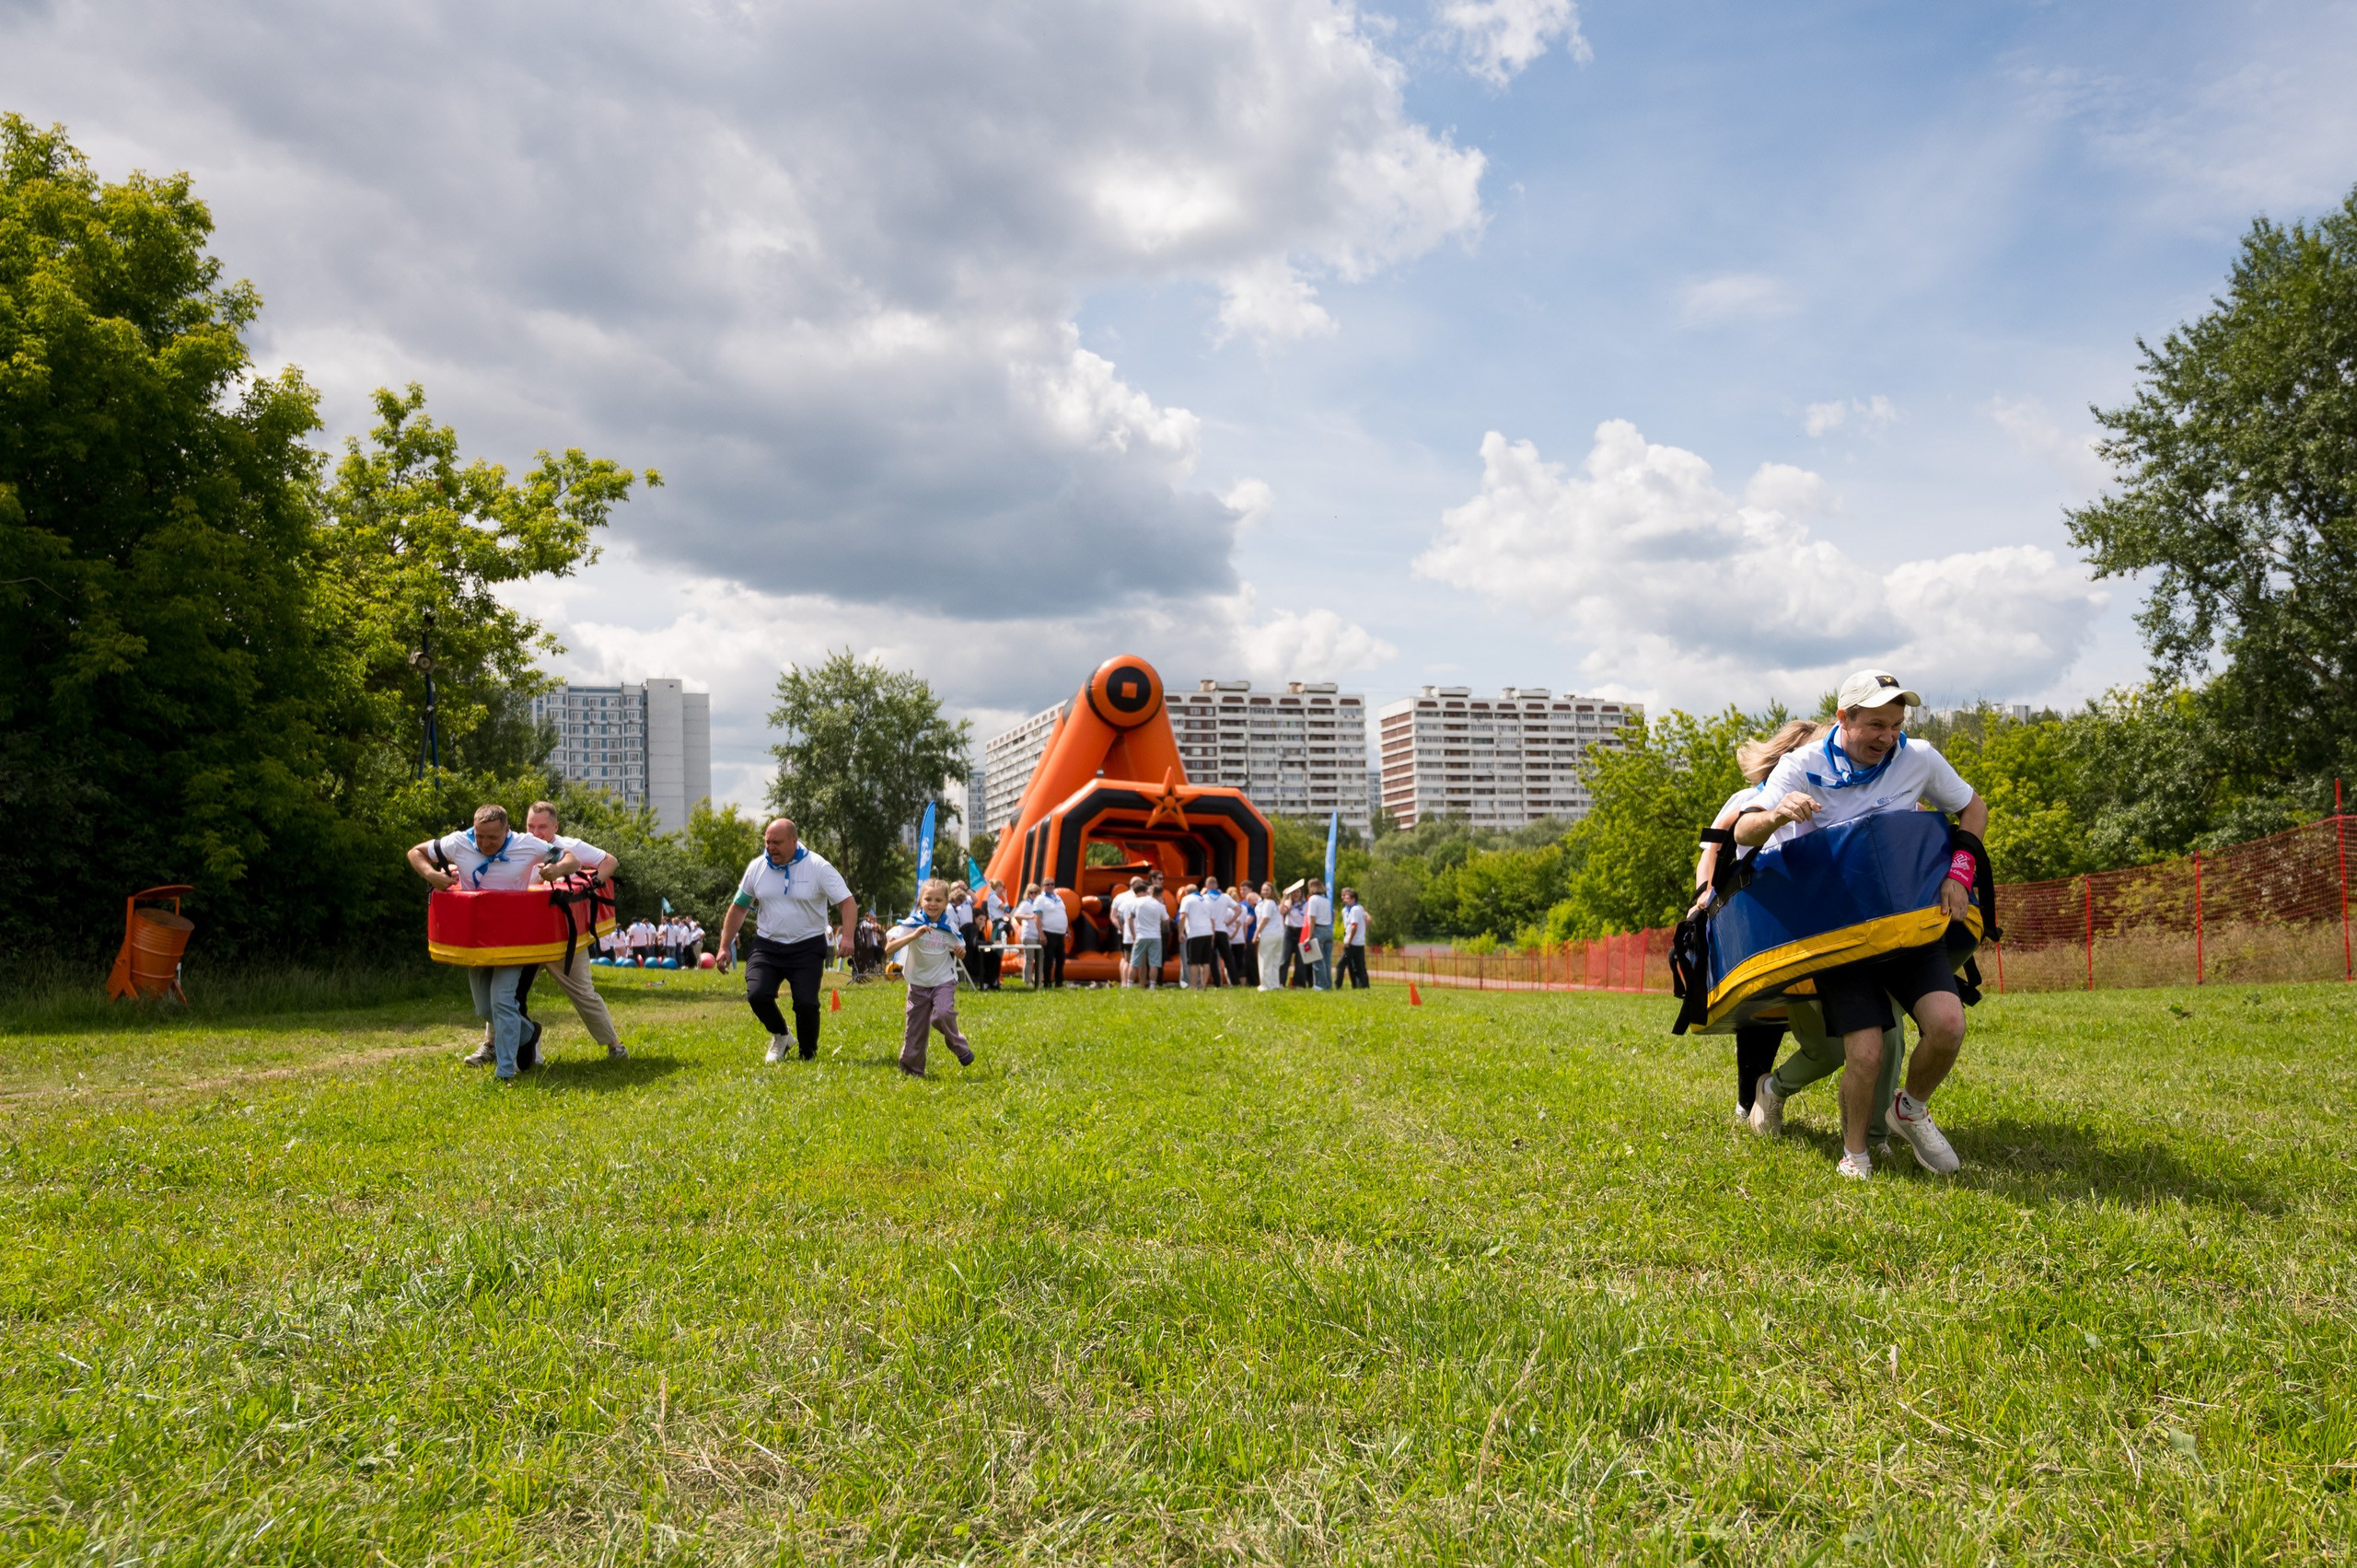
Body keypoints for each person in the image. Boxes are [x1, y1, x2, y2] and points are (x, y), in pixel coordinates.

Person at [1734, 669, 1989, 1180]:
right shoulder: (1801, 764)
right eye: (1875, 724)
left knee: (1948, 1025)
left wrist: (1961, 870)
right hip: (1839, 933)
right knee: (1865, 1052)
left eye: (1895, 725)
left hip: (1908, 924)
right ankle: (1857, 1157)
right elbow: (1743, 827)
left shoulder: (1918, 758)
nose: (1887, 737)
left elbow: (1971, 808)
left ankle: (1909, 1110)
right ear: (1843, 719)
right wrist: (1778, 813)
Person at [406, 804, 579, 1081]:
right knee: (485, 1009)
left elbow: (573, 860)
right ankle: (528, 1032)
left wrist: (556, 869)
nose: (484, 843)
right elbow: (415, 852)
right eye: (480, 836)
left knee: (502, 1000)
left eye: (493, 838)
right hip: (474, 939)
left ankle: (505, 1071)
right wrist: (432, 875)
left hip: (514, 939)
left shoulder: (527, 844)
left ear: (507, 831)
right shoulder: (459, 841)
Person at [477, 800, 629, 1063]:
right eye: (530, 826)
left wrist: (592, 884)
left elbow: (610, 861)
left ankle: (615, 1046)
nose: (536, 832)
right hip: (526, 935)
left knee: (582, 993)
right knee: (504, 991)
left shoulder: (571, 846)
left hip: (563, 937)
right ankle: (493, 1045)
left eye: (543, 827)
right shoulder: (518, 845)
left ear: (555, 826)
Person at [714, 818, 857, 1063]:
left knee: (806, 1003)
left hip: (807, 945)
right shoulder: (758, 867)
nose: (771, 848)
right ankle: (782, 1035)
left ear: (794, 840)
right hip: (767, 944)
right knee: (757, 994)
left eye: (777, 842)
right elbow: (739, 907)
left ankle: (807, 1055)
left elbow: (848, 902)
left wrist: (849, 938)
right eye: (767, 842)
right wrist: (723, 945)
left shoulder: (818, 867)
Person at [883, 879, 975, 1075]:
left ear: (946, 903)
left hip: (943, 981)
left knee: (942, 1014)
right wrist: (913, 936)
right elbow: (889, 948)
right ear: (921, 901)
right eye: (928, 899)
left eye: (939, 900)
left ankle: (959, 1046)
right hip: (917, 984)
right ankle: (912, 1071)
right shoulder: (911, 924)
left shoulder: (948, 926)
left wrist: (960, 952)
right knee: (915, 1030)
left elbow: (961, 948)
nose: (933, 904)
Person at [1178, 877, 1222, 990]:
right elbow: (1212, 921)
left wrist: (1180, 933)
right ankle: (1203, 985)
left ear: (1186, 892)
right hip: (1208, 932)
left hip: (1194, 933)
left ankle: (1193, 986)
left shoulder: (1187, 899)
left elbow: (1183, 916)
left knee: (1194, 962)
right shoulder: (1207, 900)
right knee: (1205, 961)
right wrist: (1212, 937)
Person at [1027, 878, 1070, 987]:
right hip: (1049, 932)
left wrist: (1067, 929)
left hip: (1060, 932)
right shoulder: (1041, 899)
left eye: (1052, 884)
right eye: (1047, 884)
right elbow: (1037, 917)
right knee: (1048, 959)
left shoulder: (1058, 898)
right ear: (1043, 886)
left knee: (1061, 958)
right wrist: (1041, 934)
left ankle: (1059, 981)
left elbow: (1062, 913)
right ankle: (1047, 982)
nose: (1050, 886)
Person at [1125, 876, 1166, 988]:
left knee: (1134, 963)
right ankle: (1152, 986)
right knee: (1154, 963)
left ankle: (1129, 985)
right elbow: (1166, 920)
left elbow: (1129, 918)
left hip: (1141, 936)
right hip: (1155, 936)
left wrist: (1133, 935)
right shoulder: (1159, 904)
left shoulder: (1137, 902)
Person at [1301, 877, 1333, 990]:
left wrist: (1309, 936)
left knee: (1318, 960)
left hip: (1318, 930)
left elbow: (1312, 919)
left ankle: (1320, 985)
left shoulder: (1313, 899)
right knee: (1327, 961)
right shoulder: (1326, 900)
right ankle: (1328, 984)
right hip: (1328, 930)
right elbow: (1333, 915)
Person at [1337, 887, 1370, 988]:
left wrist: (1349, 940)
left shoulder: (1355, 909)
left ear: (1353, 899)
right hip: (1357, 942)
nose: (1344, 899)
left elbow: (1354, 926)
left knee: (1341, 965)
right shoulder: (1352, 909)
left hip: (1353, 943)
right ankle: (1362, 986)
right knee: (1358, 966)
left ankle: (1338, 986)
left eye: (1346, 897)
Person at [1110, 877, 1140, 987]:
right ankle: (1131, 982)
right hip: (1133, 933)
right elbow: (1114, 916)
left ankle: (1124, 982)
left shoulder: (1119, 897)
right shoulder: (1139, 898)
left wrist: (1121, 929)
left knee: (1124, 958)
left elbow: (1113, 916)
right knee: (1131, 959)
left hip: (1124, 932)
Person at [1257, 882, 1286, 991]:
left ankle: (1265, 985)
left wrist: (1256, 933)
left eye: (1267, 890)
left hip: (1268, 933)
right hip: (1279, 933)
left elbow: (1265, 919)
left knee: (1265, 960)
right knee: (1275, 960)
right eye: (1263, 890)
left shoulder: (1268, 903)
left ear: (1272, 891)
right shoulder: (1275, 903)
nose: (1264, 892)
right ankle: (1274, 984)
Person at [1230, 888, 1260, 988]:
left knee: (1249, 960)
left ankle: (1253, 981)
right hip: (1244, 937)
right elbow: (1246, 923)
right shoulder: (1244, 906)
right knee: (1246, 961)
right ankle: (1250, 981)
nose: (1242, 892)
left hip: (1248, 937)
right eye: (1241, 890)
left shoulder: (1246, 907)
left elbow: (1247, 922)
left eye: (1245, 890)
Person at [1281, 888, 1307, 987]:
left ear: (1301, 893)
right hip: (1289, 931)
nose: (1296, 894)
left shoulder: (1306, 904)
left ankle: (1298, 984)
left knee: (1300, 960)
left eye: (1298, 892)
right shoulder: (1288, 903)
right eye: (1294, 892)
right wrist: (1284, 896)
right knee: (1285, 958)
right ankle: (1281, 982)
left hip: (1301, 932)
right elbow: (1281, 911)